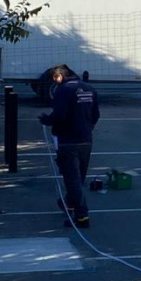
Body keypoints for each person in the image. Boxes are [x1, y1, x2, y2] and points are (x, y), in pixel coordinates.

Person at [39, 65, 100, 228]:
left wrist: (47, 120)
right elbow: (96, 115)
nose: (54, 81)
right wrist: (87, 128)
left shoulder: (63, 90)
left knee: (72, 180)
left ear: (60, 76)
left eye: (54, 78)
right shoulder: (89, 88)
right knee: (79, 177)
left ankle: (82, 216)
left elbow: (59, 115)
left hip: (68, 140)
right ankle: (69, 203)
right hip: (86, 140)